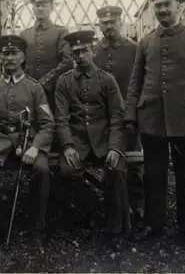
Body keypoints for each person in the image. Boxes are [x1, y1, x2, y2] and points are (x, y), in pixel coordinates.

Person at [124, 0, 185, 247]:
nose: (162, 9)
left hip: (184, 121)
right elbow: (136, 82)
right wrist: (131, 115)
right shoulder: (145, 42)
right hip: (151, 120)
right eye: (158, 5)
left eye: (167, 5)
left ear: (179, 6)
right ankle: (155, 227)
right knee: (153, 175)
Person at [0, 35, 55, 243]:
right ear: (0, 57)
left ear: (23, 57)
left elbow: (47, 123)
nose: (9, 58)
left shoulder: (34, 88)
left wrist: (36, 148)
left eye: (14, 53)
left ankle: (37, 225)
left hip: (28, 141)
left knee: (42, 169)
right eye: (5, 54)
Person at [55, 30, 130, 237]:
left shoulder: (107, 80)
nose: (80, 56)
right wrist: (68, 146)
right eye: (76, 52)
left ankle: (116, 229)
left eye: (84, 51)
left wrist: (115, 147)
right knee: (68, 171)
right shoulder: (64, 81)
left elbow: (117, 117)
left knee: (117, 171)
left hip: (104, 140)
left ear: (92, 52)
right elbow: (61, 118)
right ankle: (87, 215)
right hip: (77, 140)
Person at [92, 5, 144, 228]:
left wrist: (132, 114)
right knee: (109, 161)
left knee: (133, 163)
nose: (109, 26)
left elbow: (140, 83)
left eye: (113, 22)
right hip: (103, 119)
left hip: (128, 116)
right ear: (100, 26)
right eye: (105, 23)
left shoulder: (133, 49)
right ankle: (112, 206)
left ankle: (137, 205)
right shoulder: (94, 52)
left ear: (120, 23)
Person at [20, 0, 73, 113]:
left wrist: (45, 81)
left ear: (51, 8)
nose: (40, 8)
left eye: (44, 5)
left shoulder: (61, 32)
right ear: (33, 8)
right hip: (29, 91)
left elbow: (68, 61)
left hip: (53, 90)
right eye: (37, 5)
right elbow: (20, 63)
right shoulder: (24, 34)